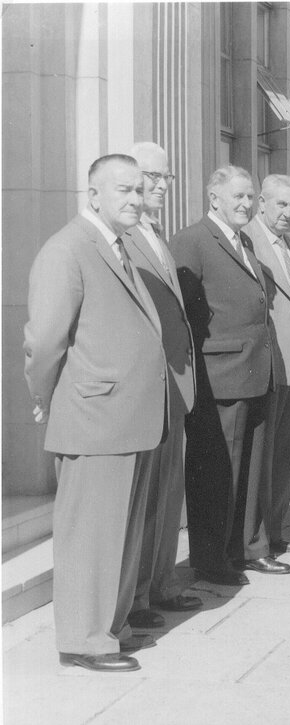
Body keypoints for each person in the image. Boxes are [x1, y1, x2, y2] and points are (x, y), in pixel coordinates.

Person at [24, 154, 166, 672]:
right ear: (94, 195)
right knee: (90, 535)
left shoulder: (119, 245)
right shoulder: (68, 249)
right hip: (94, 418)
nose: (134, 199)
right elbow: (43, 343)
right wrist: (47, 398)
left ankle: (110, 625)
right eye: (123, 190)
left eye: (139, 189)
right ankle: (83, 640)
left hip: (129, 418)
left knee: (121, 535)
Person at [172, 166, 286, 583]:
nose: (246, 204)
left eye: (251, 197)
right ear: (214, 198)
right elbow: (185, 313)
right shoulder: (192, 240)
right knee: (217, 472)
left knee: (250, 469)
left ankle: (247, 549)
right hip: (219, 375)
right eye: (238, 196)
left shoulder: (244, 241)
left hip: (254, 370)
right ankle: (211, 559)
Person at [121, 143, 201, 629]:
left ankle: (159, 584)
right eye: (153, 176)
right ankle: (135, 597)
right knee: (144, 497)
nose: (162, 186)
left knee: (168, 491)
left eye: (165, 178)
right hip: (149, 387)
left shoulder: (154, 234)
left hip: (174, 382)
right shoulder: (125, 237)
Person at [243, 175, 290, 555]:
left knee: (287, 446)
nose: (288, 213)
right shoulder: (249, 240)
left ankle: (274, 531)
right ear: (261, 203)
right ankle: (257, 537)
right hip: (275, 357)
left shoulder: (289, 245)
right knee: (267, 449)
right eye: (280, 205)